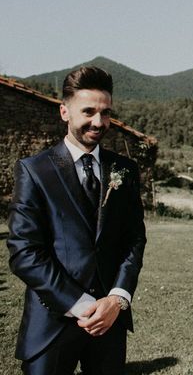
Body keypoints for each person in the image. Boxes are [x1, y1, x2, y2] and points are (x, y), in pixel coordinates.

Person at [7, 67, 147, 374]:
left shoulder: (124, 169)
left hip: (110, 324)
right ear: (64, 112)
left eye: (106, 113)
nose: (99, 122)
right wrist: (81, 304)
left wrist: (118, 298)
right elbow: (24, 252)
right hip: (52, 323)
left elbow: (133, 239)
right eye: (88, 111)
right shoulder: (35, 171)